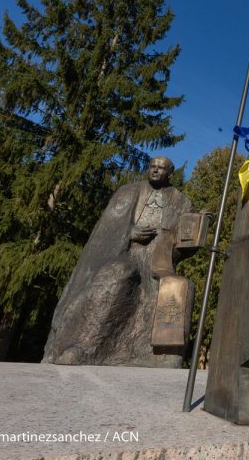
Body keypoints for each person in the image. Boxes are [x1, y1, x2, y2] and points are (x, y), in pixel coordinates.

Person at [42, 156, 193, 368]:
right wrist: (129, 232)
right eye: (152, 166)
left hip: (157, 261)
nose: (155, 171)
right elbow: (106, 230)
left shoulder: (182, 202)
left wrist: (194, 235)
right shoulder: (128, 191)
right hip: (125, 254)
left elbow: (182, 245)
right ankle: (80, 347)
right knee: (117, 273)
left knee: (179, 288)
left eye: (161, 168)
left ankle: (162, 355)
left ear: (170, 173)